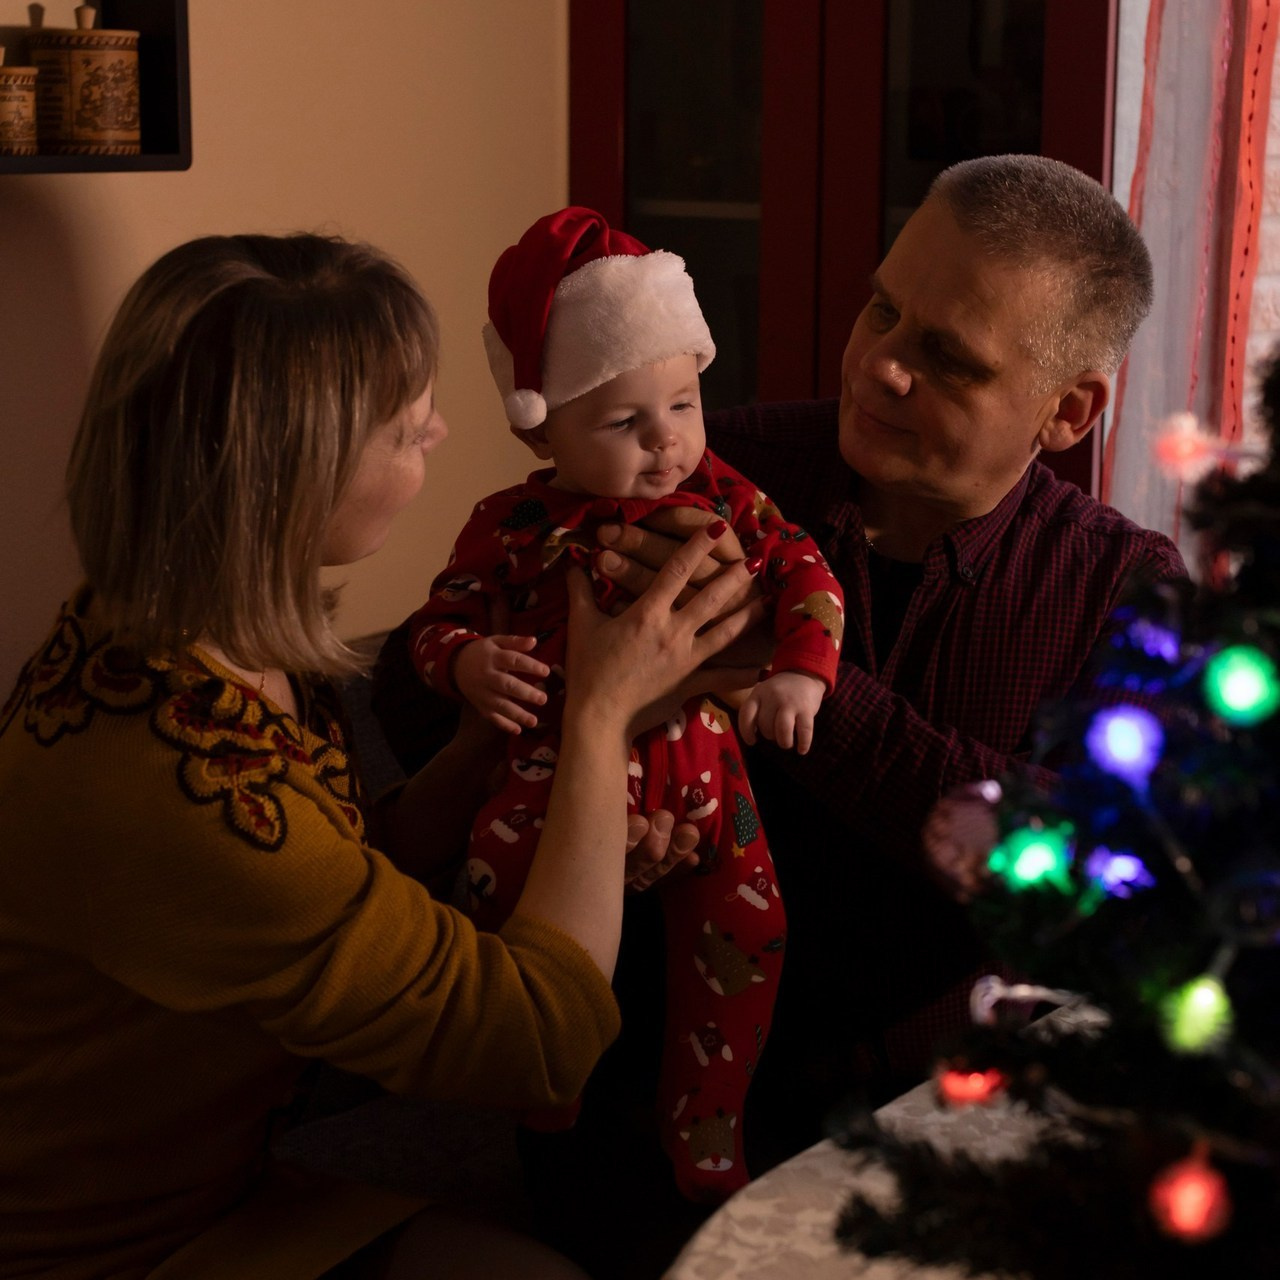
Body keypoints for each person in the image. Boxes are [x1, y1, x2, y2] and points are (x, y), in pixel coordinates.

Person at [372, 155, 1190, 1187]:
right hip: (631, 1099)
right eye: (881, 310)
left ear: (1068, 412)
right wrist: (573, 763)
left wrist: (799, 683)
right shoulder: (709, 468)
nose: (879, 366)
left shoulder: (1123, 591)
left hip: (938, 1117)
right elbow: (407, 687)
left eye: (946, 357)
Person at [0, 231, 763, 1280]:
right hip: (105, 1247)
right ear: (285, 481)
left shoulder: (198, 638)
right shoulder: (177, 778)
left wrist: (484, 748)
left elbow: (345, 874)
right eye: (406, 427)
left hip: (225, 1180)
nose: (441, 430)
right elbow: (537, 1044)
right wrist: (599, 715)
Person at [400, 207, 846, 1203]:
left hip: (707, 769)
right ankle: (543, 1090)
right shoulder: (513, 522)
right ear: (542, 425)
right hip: (552, 775)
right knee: (498, 887)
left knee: (753, 931)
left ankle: (707, 1121)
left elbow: (806, 573)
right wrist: (465, 666)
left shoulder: (729, 498)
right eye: (620, 421)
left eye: (682, 403)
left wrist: (800, 673)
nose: (664, 440)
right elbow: (439, 618)